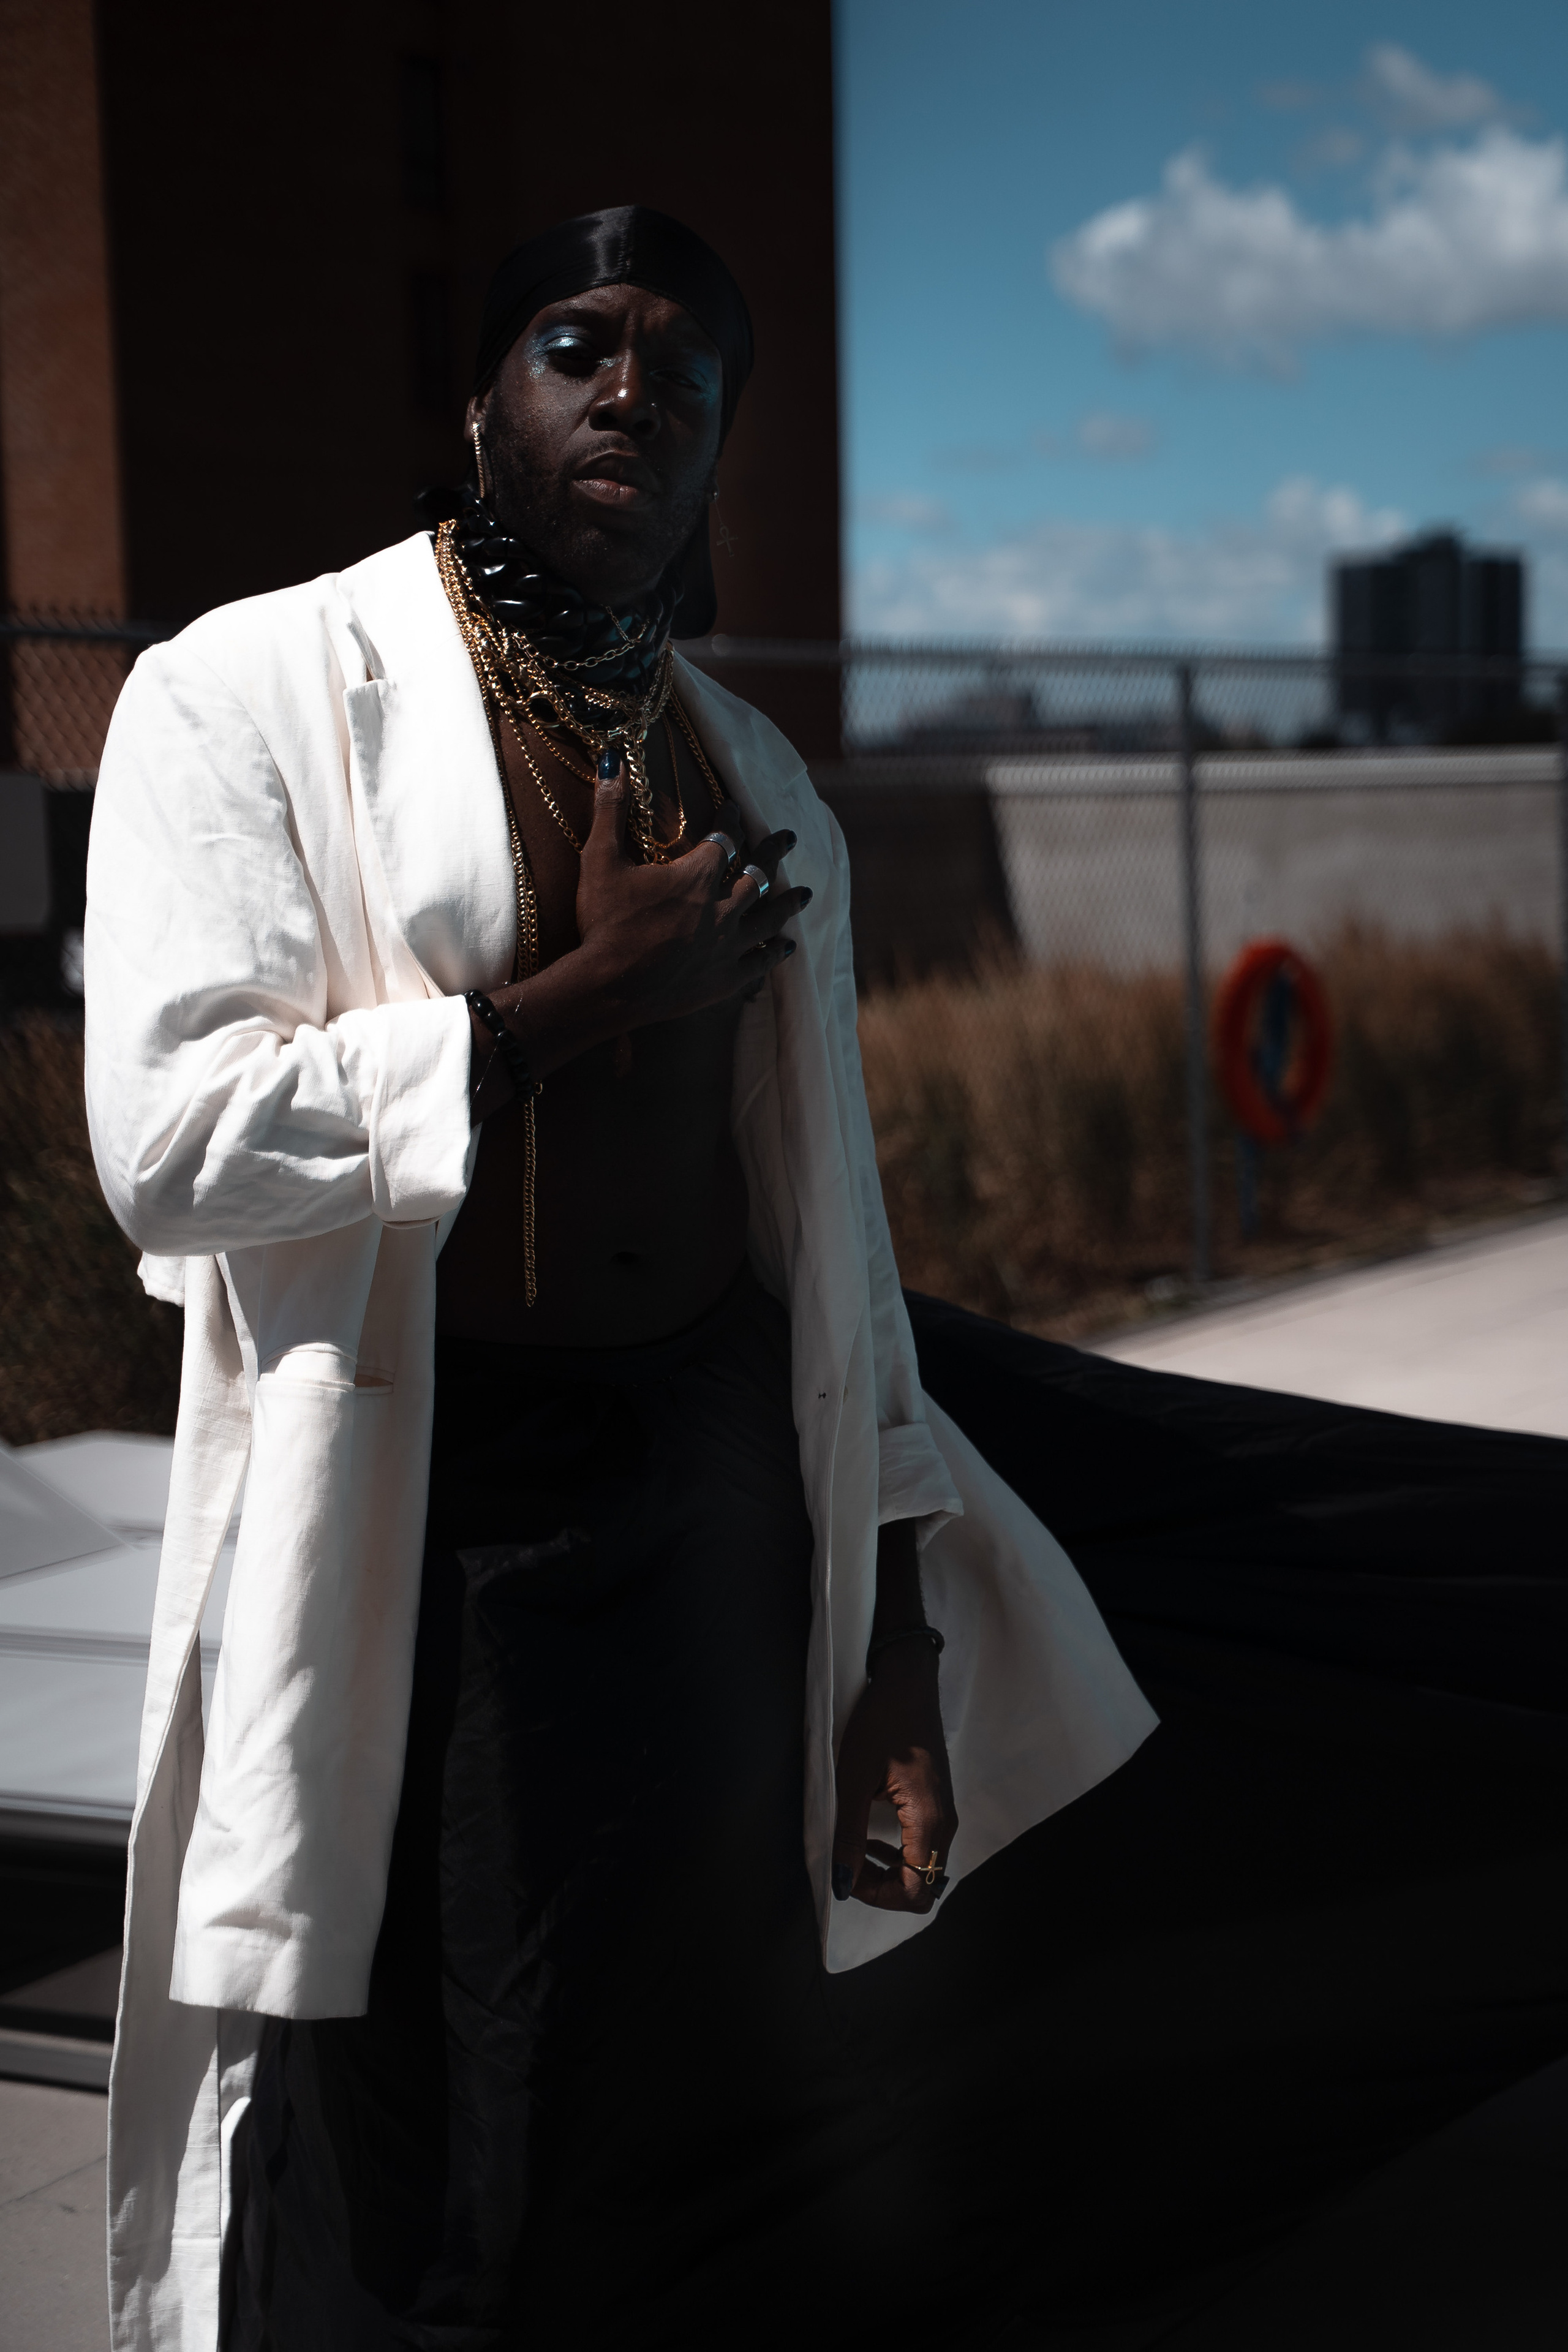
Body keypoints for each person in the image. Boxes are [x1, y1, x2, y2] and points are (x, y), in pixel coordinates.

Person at [89, 207, 1568, 2352]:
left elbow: (833, 1241)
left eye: (687, 377)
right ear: (480, 398)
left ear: (718, 456)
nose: (632, 392)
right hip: (440, 1524)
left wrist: (889, 1638)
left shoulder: (754, 778)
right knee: (433, 2088)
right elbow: (168, 1146)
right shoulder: (246, 689)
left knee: (677, 2070)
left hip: (706, 1496)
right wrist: (565, 1008)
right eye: (577, 344)